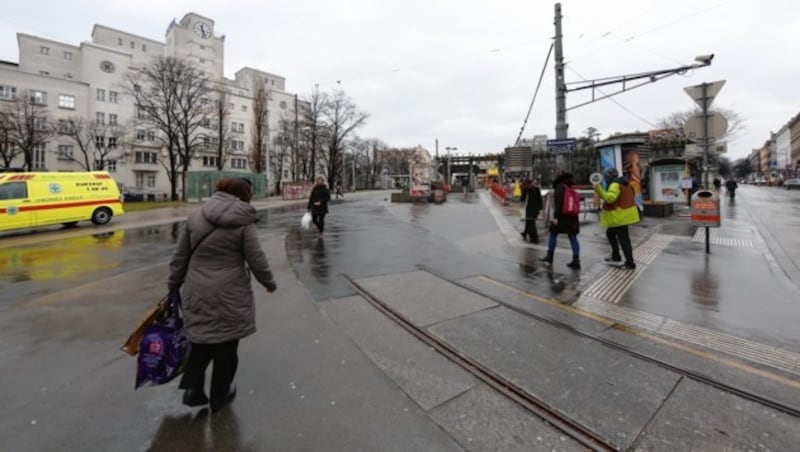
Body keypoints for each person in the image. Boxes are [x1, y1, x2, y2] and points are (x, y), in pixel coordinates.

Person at [168, 177, 277, 412]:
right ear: (244, 194)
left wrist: (173, 285)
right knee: (227, 344)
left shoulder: (196, 216)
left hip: (196, 288)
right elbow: (256, 258)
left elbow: (180, 257)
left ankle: (193, 390)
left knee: (200, 340)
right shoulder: (243, 221)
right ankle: (220, 394)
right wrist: (269, 283)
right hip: (230, 290)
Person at [594, 167, 640, 270]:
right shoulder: (625, 183)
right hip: (624, 215)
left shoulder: (615, 185)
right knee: (611, 234)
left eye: (606, 177)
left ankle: (630, 263)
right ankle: (616, 256)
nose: (605, 179)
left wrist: (598, 188)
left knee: (623, 240)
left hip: (619, 216)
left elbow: (610, 198)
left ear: (608, 177)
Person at [539, 172, 581, 269]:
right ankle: (576, 260)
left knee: (553, 234)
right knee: (573, 237)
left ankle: (550, 256)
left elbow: (559, 203)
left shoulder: (560, 187)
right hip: (573, 216)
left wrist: (555, 217)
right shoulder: (572, 187)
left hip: (561, 216)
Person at [519, 178, 543, 244]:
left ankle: (535, 238)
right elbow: (539, 199)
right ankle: (525, 233)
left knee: (531, 224)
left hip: (528, 209)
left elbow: (522, 199)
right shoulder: (536, 189)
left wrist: (521, 190)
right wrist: (540, 208)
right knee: (529, 222)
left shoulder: (526, 190)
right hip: (535, 209)